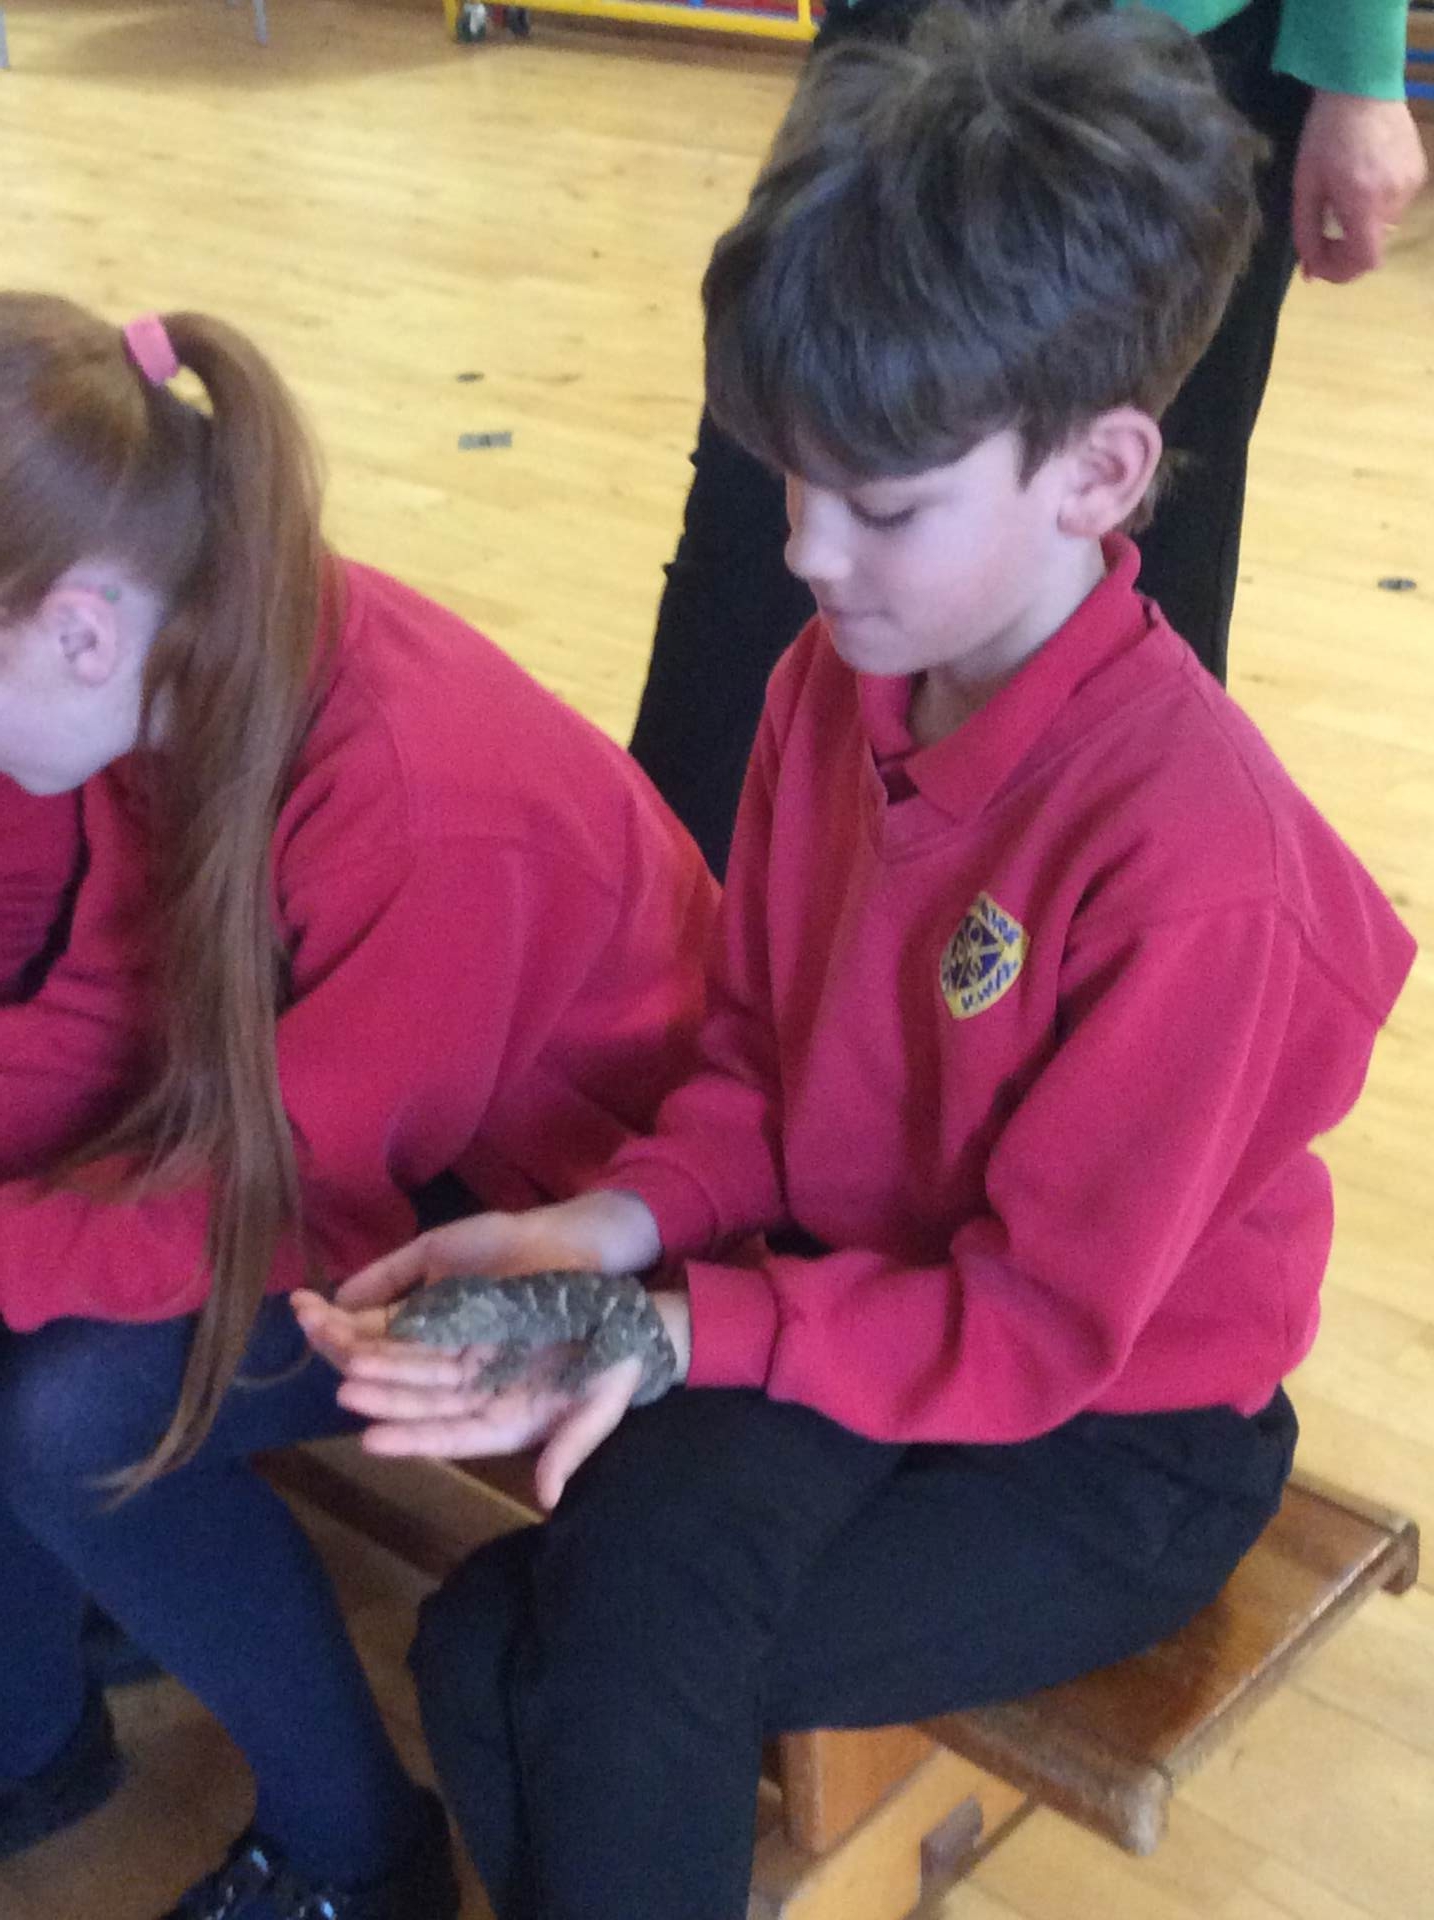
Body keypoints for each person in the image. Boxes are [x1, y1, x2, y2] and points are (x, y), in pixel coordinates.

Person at [297, 8, 1416, 1918]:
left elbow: (1038, 1327)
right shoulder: (835, 679)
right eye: (787, 482)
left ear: (1097, 471)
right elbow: (753, 1058)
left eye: (880, 504)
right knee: (495, 1650)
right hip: (861, 1300)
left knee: (566, 1657)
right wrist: (618, 1228)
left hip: (1111, 1436)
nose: (808, 554)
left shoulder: (1195, 873)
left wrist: (681, 1331)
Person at [0, 294, 717, 1920]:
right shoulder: (179, 663)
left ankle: (359, 1855)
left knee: (76, 1419)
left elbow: (290, 1207)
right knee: (44, 1324)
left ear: (79, 629)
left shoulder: (421, 803)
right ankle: (37, 1733)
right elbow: (107, 1012)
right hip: (388, 1168)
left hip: (593, 1249)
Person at [628, 0, 1428, 876]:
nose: (807, 551)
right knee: (758, 543)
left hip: (1199, 39)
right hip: (913, 28)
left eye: (885, 511)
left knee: (1161, 560)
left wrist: (1358, 66)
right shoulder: (803, 687)